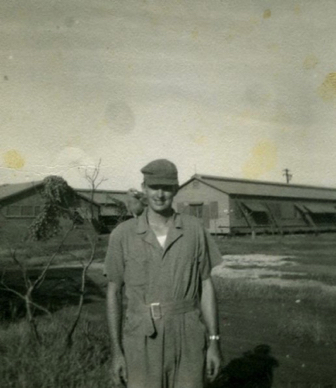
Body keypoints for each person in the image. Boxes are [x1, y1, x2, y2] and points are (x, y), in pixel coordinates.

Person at [105, 159, 222, 388]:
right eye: (153, 187)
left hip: (188, 334)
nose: (160, 194)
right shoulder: (123, 234)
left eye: (167, 188)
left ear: (176, 189)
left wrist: (214, 343)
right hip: (141, 337)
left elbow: (206, 285)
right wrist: (117, 351)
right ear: (144, 188)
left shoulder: (194, 230)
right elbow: (113, 292)